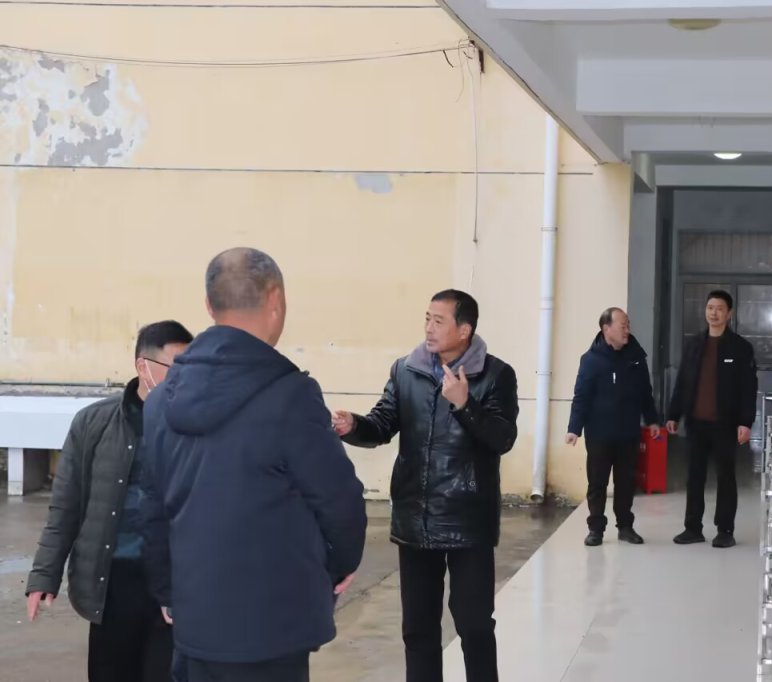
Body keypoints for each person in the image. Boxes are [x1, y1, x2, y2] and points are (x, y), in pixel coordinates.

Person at [141, 247, 367, 682]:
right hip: (272, 630)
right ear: (275, 299)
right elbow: (340, 503)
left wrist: (169, 590)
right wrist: (334, 570)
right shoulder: (291, 397)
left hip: (195, 623)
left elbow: (153, 509)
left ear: (209, 305)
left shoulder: (161, 401)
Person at [332, 289, 518, 682]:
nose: (429, 328)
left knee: (474, 625)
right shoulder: (406, 370)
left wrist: (465, 404)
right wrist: (354, 426)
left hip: (468, 521)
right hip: (415, 518)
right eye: (427, 318)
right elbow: (382, 424)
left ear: (464, 330)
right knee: (418, 630)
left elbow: (502, 438)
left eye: (439, 320)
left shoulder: (496, 375)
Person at [25, 320, 194, 682]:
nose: (185, 377)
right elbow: (66, 505)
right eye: (175, 367)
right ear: (143, 366)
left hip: (173, 582)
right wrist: (44, 574)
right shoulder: (94, 423)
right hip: (112, 582)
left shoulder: (194, 426)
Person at [665, 290, 758, 549]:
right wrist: (674, 414)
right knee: (694, 477)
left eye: (719, 308)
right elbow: (683, 382)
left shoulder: (740, 348)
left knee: (725, 478)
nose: (713, 313)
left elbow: (748, 388)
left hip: (725, 425)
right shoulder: (694, 345)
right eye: (709, 308)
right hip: (696, 423)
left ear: (729, 314)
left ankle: (725, 530)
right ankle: (692, 527)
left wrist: (745, 422)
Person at [566, 308, 660, 547]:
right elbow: (581, 396)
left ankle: (625, 527)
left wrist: (652, 420)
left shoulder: (636, 357)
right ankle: (595, 529)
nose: (627, 330)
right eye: (622, 326)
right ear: (606, 329)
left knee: (626, 483)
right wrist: (574, 428)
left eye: (628, 325)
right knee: (597, 484)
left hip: (628, 433)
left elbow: (645, 393)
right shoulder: (591, 360)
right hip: (599, 434)